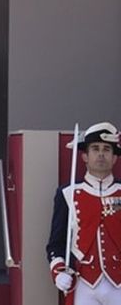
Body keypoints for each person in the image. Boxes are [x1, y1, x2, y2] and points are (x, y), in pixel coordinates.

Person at [46, 122, 121, 305]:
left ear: (115, 158)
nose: (101, 154)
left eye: (106, 149)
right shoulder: (68, 192)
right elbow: (56, 242)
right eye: (95, 149)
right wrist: (57, 271)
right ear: (85, 156)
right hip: (83, 281)